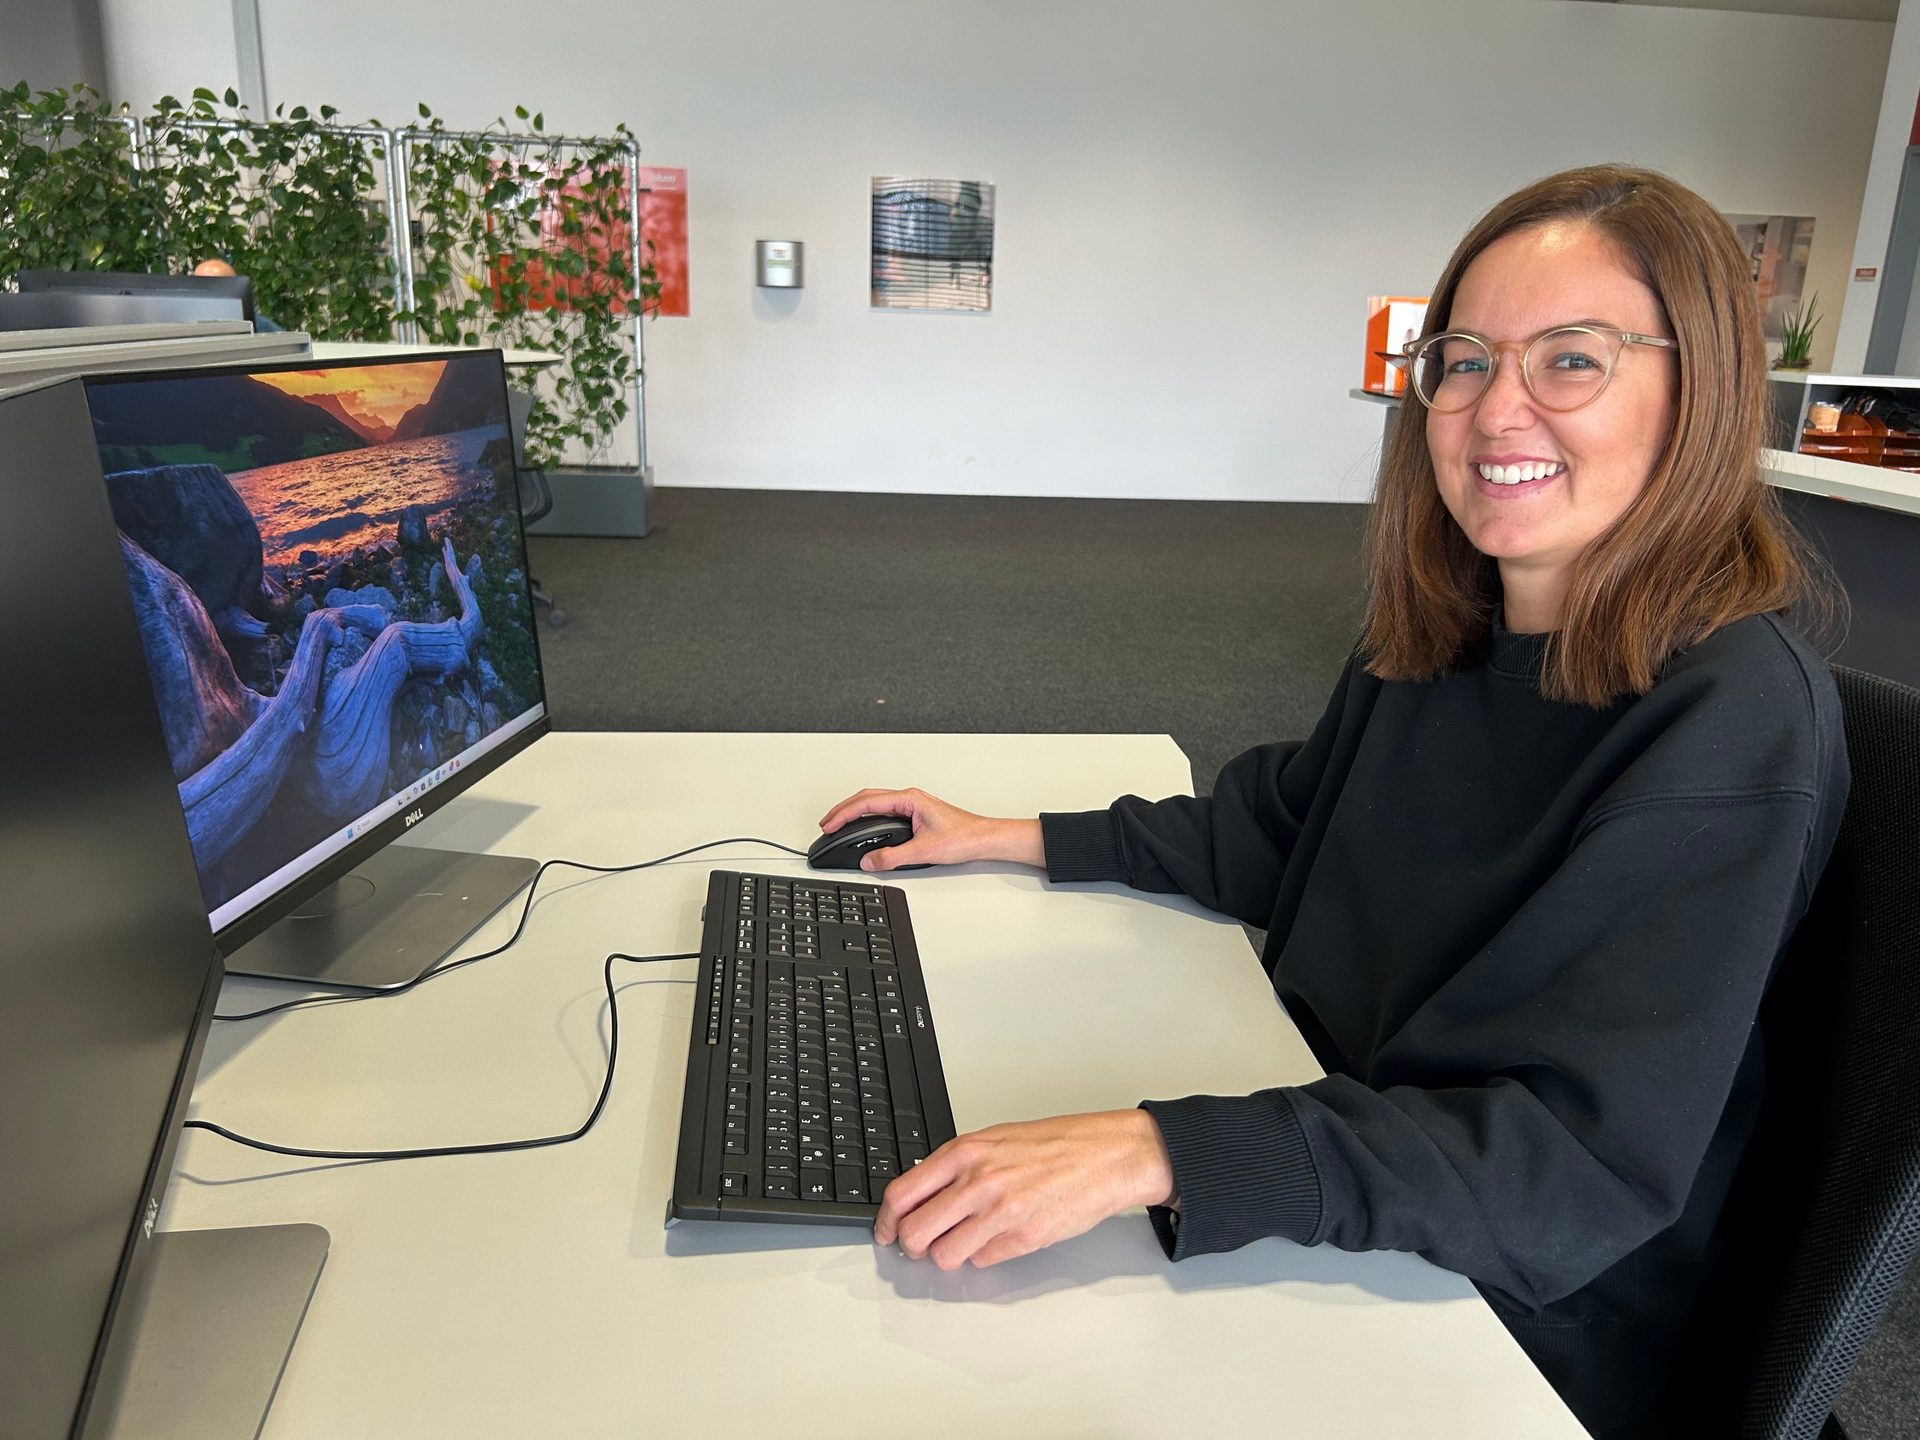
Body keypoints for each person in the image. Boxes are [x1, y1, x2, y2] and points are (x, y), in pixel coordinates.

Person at [816, 164, 1849, 1438]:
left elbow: (1570, 1167)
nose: (1494, 409)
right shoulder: (1443, 629)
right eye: (1463, 359)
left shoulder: (1733, 722)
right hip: (1343, 1162)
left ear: (1698, 390)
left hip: (1504, 1310)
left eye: (1570, 361)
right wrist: (1006, 837)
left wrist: (1164, 1150)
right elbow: (1286, 831)